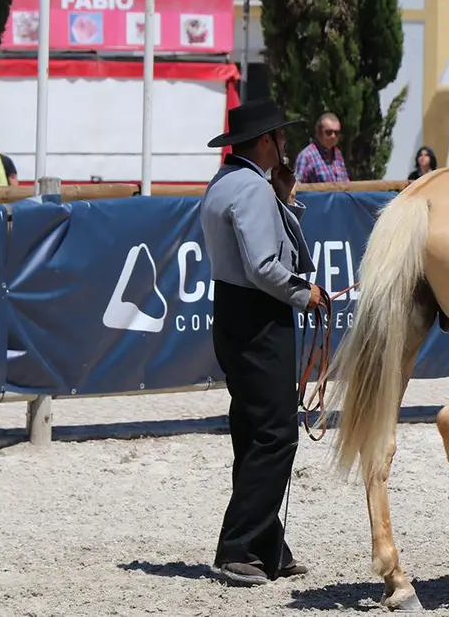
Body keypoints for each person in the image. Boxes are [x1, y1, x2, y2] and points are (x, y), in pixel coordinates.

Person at [200, 98, 325, 587]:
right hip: (259, 317)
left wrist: (285, 199)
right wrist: (304, 292)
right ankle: (237, 547)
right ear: (265, 141)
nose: (286, 143)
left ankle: (267, 545)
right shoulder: (250, 189)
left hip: (231, 311)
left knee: (253, 432)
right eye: (281, 135)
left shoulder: (227, 183)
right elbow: (263, 265)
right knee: (277, 434)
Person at [293, 112, 350, 183]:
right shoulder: (306, 156)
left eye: (336, 133)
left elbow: (346, 183)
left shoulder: (338, 154)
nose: (333, 136)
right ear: (318, 132)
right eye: (329, 132)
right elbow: (296, 189)